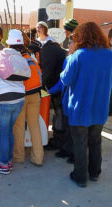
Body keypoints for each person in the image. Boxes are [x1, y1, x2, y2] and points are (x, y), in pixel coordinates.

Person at [60, 22, 112, 187]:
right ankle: (95, 173)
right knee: (95, 141)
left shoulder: (78, 55)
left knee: (80, 143)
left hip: (80, 108)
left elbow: (66, 79)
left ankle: (80, 176)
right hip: (100, 108)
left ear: (81, 36)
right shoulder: (109, 55)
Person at [0, 29, 30, 175]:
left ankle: (3, 165)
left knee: (3, 133)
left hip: (2, 100)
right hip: (19, 99)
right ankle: (8, 161)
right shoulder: (21, 58)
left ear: (7, 42)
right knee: (9, 132)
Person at [12, 33, 44, 166]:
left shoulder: (15, 59)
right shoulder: (31, 58)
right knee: (34, 126)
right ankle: (38, 158)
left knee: (19, 127)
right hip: (35, 95)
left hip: (21, 96)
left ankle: (19, 157)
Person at [49, 35, 75, 164]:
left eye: (71, 42)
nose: (68, 45)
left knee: (72, 128)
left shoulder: (71, 59)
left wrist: (50, 91)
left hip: (72, 100)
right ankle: (68, 150)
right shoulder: (69, 58)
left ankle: (70, 152)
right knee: (69, 128)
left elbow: (63, 81)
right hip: (69, 99)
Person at [39, 32, 67, 151]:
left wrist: (42, 88)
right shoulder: (54, 49)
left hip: (58, 88)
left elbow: (47, 72)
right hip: (59, 87)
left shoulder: (47, 51)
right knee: (60, 115)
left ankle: (59, 142)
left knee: (59, 115)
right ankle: (60, 140)